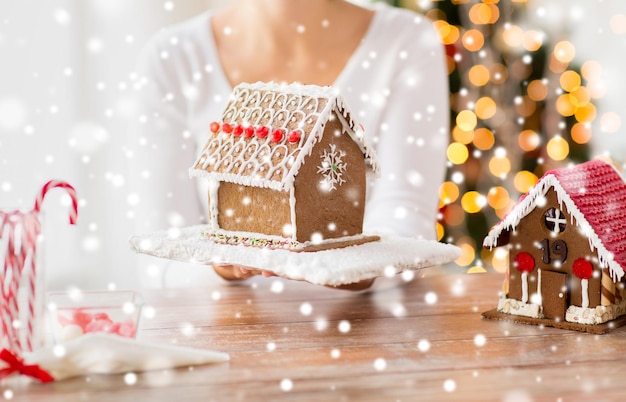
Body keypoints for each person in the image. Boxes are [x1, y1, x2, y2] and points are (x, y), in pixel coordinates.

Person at [129, 0, 449, 289]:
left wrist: (359, 270)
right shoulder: (173, 56)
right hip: (226, 334)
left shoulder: (405, 41)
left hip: (366, 328)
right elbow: (158, 261)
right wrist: (223, 266)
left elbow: (407, 224)